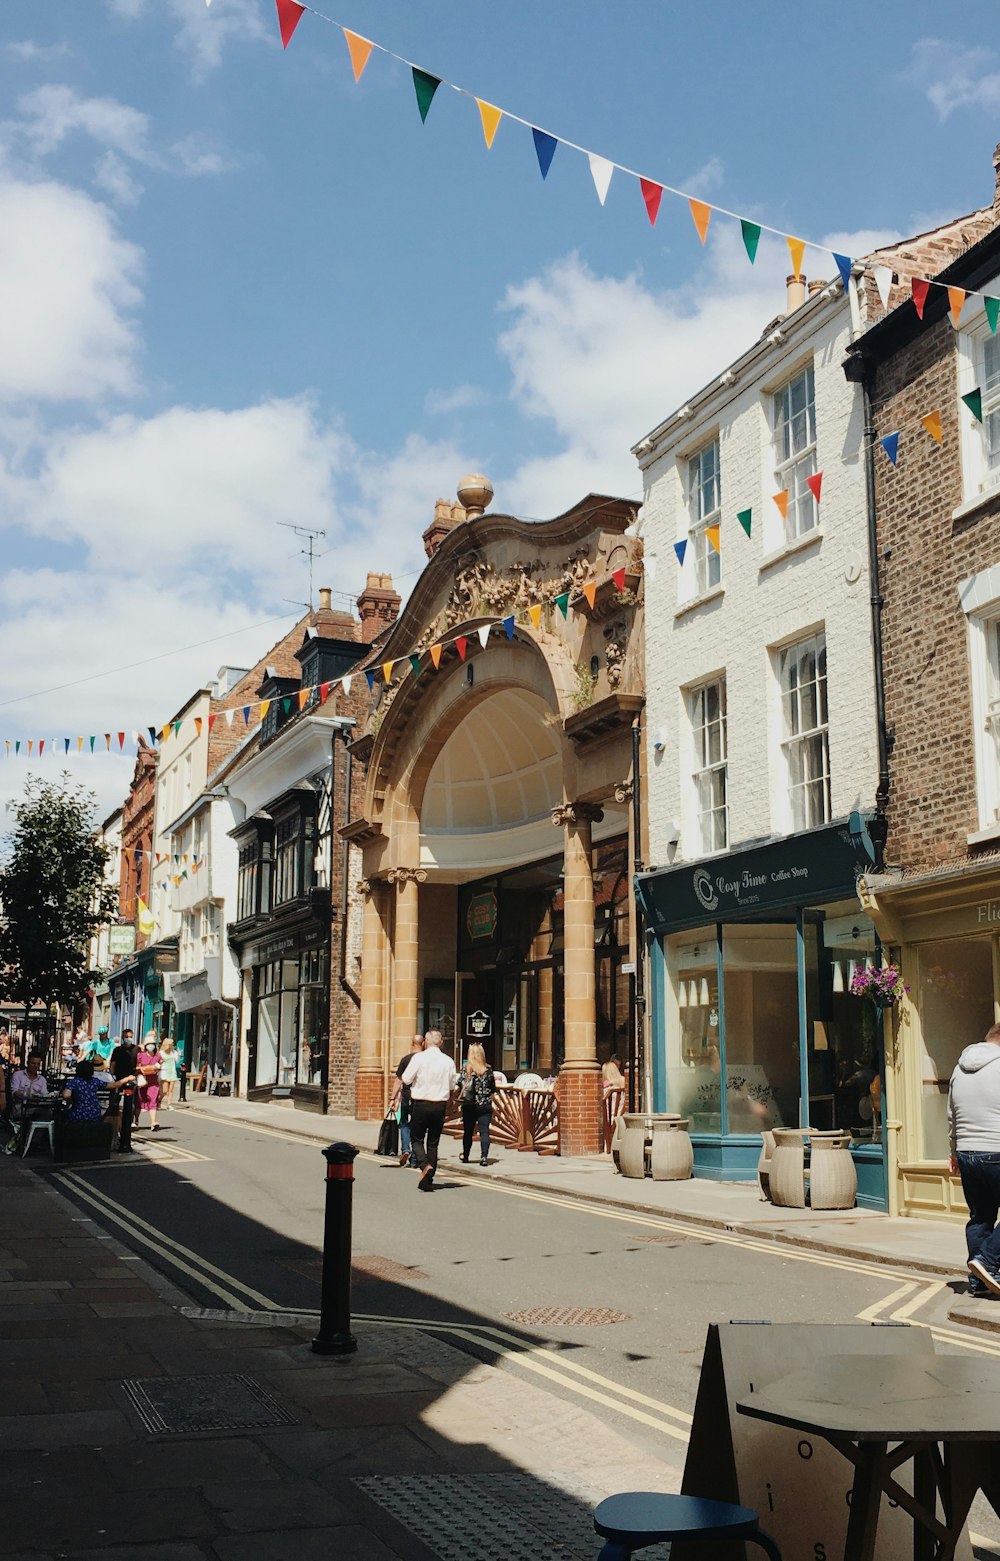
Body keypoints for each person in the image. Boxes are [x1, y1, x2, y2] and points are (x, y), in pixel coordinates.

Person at [949, 1021, 1000, 1297]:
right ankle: (987, 1262)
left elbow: (951, 1113)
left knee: (980, 1217)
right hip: (996, 1150)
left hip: (967, 1151)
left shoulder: (959, 1068)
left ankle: (980, 1282)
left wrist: (953, 1151)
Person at [402, 1029, 457, 1191]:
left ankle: (425, 1166)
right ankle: (428, 1180)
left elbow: (405, 1078)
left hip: (421, 1103)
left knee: (416, 1138)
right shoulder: (448, 1061)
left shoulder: (419, 1058)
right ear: (440, 1043)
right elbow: (453, 1085)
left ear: (425, 1042)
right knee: (433, 1143)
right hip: (440, 1105)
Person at [389, 1034, 425, 1167]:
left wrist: (393, 1098)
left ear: (412, 1043)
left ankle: (405, 1149)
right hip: (420, 1098)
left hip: (405, 1096)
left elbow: (399, 1079)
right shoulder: (425, 1060)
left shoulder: (405, 1059)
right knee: (417, 1127)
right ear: (423, 1043)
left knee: (403, 1123)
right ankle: (415, 1159)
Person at [459, 1042, 496, 1166]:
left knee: (468, 1132)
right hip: (485, 1104)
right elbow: (493, 1088)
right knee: (484, 1131)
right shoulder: (488, 1069)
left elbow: (460, 1084)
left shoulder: (466, 1069)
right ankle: (484, 1157)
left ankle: (466, 1155)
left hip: (469, 1105)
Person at [61, 1059, 104, 1124]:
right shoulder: (95, 1081)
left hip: (77, 1113)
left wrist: (70, 1102)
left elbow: (66, 1095)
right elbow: (115, 1084)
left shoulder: (73, 1082)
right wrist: (125, 1079)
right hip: (94, 1113)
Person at [135, 1032, 163, 1131]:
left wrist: (157, 1068)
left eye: (152, 1045)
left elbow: (160, 1067)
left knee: (153, 1100)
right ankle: (136, 1121)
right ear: (146, 1046)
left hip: (153, 1081)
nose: (151, 1046)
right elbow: (136, 1066)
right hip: (142, 1080)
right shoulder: (140, 1055)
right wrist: (142, 1069)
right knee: (139, 1101)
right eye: (149, 1045)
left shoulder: (158, 1056)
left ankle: (153, 1123)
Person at [159, 1037, 179, 1109]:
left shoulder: (174, 1052)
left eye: (172, 1044)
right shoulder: (161, 1053)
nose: (172, 1045)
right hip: (164, 1072)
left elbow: (177, 1061)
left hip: (172, 1072)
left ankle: (169, 1104)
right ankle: (159, 1100)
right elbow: (158, 1062)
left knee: (170, 1090)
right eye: (170, 1044)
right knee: (164, 1091)